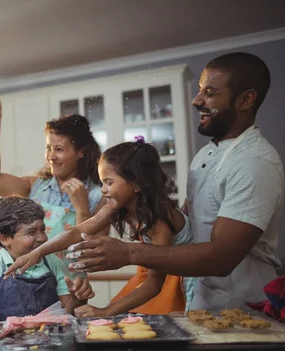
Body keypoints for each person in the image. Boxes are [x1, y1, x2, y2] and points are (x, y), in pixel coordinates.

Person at [67, 52, 284, 311]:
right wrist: (151, 220)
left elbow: (223, 258)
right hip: (202, 303)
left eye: (210, 93)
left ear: (246, 100)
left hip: (245, 310)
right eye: (200, 91)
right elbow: (188, 222)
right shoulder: (206, 154)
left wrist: (129, 252)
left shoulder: (254, 161)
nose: (196, 100)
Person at [7, 138, 193, 316]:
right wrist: (37, 253)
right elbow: (77, 231)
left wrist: (105, 312)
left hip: (183, 279)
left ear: (136, 184)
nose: (103, 190)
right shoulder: (116, 206)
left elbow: (154, 284)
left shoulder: (159, 220)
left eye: (109, 182)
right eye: (102, 182)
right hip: (154, 275)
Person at [0, 81, 108, 261]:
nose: (51, 157)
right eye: (48, 148)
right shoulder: (35, 186)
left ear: (81, 151)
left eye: (59, 149)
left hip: (71, 284)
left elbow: (92, 253)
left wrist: (82, 208)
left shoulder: (100, 196)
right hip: (32, 278)